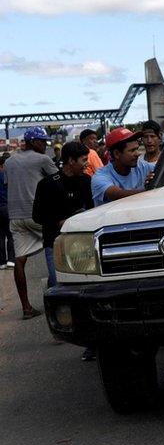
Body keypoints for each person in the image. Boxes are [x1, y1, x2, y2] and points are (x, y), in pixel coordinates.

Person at [4, 127, 58, 319]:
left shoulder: (9, 162)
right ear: (33, 142)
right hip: (38, 214)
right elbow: (58, 181)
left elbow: (9, 184)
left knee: (20, 259)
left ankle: (26, 308)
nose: (45, 145)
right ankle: (57, 304)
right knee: (55, 247)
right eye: (42, 141)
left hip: (16, 217)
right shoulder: (42, 159)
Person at [32, 141, 93, 290]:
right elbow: (37, 215)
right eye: (84, 160)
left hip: (83, 244)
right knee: (57, 285)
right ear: (71, 161)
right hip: (55, 244)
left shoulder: (87, 181)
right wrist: (61, 222)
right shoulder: (47, 184)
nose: (87, 164)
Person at [91, 127, 155, 206]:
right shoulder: (100, 177)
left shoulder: (141, 166)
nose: (138, 153)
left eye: (137, 149)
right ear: (117, 154)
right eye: (132, 150)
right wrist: (149, 188)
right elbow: (118, 194)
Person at [0, 153, 16, 268]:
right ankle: (11, 260)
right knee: (10, 234)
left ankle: (1, 262)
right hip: (7, 207)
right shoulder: (8, 176)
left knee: (0, 236)